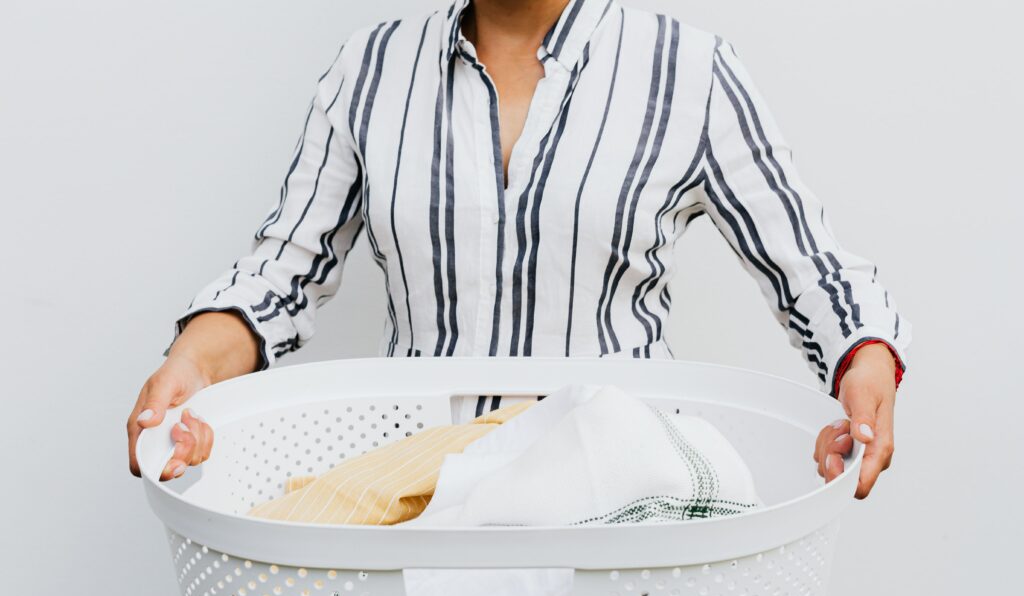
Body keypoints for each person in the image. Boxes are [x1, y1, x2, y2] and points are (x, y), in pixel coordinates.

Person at [126, 0, 911, 499]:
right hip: (419, 502)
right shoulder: (370, 69)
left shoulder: (690, 71)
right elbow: (285, 268)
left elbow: (811, 266)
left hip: (624, 506)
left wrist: (864, 361)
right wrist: (190, 367)